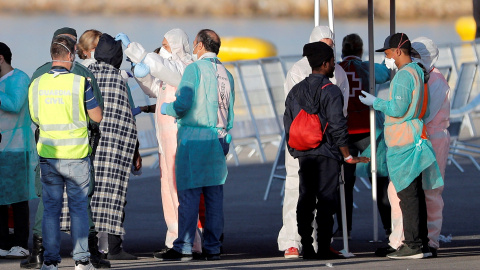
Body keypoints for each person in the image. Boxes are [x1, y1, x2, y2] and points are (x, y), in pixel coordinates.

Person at [21, 27, 110, 269]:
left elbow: (35, 117)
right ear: (71, 55)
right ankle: (82, 261)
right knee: (79, 209)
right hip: (77, 155)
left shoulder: (37, 83)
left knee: (50, 210)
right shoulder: (81, 82)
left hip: (49, 155)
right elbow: (97, 117)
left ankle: (50, 262)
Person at [115, 29, 204, 257]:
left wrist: (138, 53)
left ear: (176, 45)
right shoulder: (168, 70)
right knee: (168, 192)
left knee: (179, 192)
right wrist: (142, 73)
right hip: (165, 144)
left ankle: (187, 242)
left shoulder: (186, 67)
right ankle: (174, 238)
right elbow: (154, 88)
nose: (163, 47)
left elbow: (166, 70)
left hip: (179, 140)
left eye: (166, 44)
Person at [359, 33, 443, 259]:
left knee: (407, 195)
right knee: (415, 194)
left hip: (402, 140)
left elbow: (397, 108)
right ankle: (422, 243)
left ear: (398, 51)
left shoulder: (404, 75)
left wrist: (375, 102)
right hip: (415, 136)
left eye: (386, 53)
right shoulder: (419, 71)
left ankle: (413, 245)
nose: (386, 59)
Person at [284, 41, 369, 260]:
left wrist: (295, 149)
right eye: (332, 61)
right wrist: (347, 155)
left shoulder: (296, 91)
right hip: (328, 154)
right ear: (324, 64)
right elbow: (338, 126)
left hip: (305, 154)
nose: (334, 65)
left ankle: (307, 246)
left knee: (305, 199)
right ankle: (323, 247)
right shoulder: (331, 91)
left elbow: (288, 122)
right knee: (326, 201)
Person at [157, 29, 234, 261]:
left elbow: (183, 104)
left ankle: (184, 246)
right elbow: (229, 113)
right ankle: (212, 246)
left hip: (194, 138)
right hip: (219, 138)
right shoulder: (227, 74)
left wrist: (165, 108)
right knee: (214, 197)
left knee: (189, 196)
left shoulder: (194, 69)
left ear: (199, 45)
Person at [277, 25, 350, 259]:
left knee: (304, 196)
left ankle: (309, 244)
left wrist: (293, 143)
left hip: (303, 147)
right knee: (311, 195)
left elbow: (288, 114)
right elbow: (340, 116)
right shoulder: (328, 73)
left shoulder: (327, 73)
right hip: (322, 148)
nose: (329, 48)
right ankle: (294, 241)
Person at [88, 33, 140, 261]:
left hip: (88, 147)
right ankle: (113, 247)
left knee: (88, 196)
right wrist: (134, 150)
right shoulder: (119, 80)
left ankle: (88, 246)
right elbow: (127, 120)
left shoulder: (85, 76)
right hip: (113, 150)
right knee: (114, 193)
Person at [336, 33, 391, 239]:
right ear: (360, 50)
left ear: (343, 50)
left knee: (344, 183)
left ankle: (343, 229)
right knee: (379, 179)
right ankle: (388, 226)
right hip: (368, 131)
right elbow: (385, 74)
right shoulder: (366, 68)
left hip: (345, 133)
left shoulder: (337, 69)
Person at [0, 42, 37, 259]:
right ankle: (3, 243)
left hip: (16, 147)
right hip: (2, 148)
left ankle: (21, 243)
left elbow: (14, 105)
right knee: (1, 199)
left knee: (18, 198)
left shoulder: (20, 78)